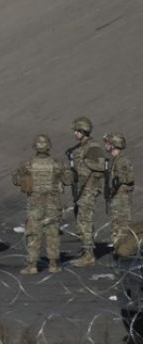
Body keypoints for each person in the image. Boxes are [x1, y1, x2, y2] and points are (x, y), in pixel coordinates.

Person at [13, 134, 72, 274]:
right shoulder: (58, 164)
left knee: (33, 234)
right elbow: (68, 180)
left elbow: (16, 180)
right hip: (53, 204)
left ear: (35, 147)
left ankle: (32, 265)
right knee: (53, 234)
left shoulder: (27, 164)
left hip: (35, 204)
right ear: (49, 146)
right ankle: (53, 264)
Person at [67, 117, 109, 267]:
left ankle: (89, 255)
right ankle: (86, 251)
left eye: (77, 131)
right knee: (81, 222)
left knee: (85, 221)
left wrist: (83, 163)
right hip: (82, 190)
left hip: (89, 190)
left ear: (83, 131)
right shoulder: (81, 147)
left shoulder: (93, 147)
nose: (75, 133)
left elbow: (102, 165)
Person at [105, 133, 135, 253]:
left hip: (121, 198)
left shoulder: (122, 161)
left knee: (121, 226)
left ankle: (123, 253)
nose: (106, 145)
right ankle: (119, 251)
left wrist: (114, 185)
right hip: (117, 197)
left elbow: (126, 179)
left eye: (108, 143)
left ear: (114, 145)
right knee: (116, 225)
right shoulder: (116, 160)